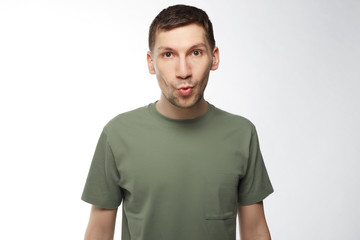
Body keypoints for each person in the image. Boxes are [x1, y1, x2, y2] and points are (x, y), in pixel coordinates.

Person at [82, 4, 274, 240]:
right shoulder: (117, 134)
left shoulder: (242, 134)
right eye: (168, 54)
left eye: (195, 52)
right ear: (151, 63)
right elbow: (99, 232)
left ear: (214, 58)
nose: (183, 71)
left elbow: (254, 231)